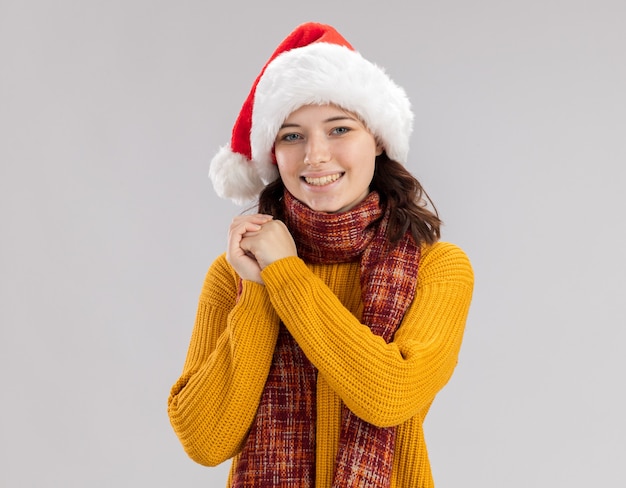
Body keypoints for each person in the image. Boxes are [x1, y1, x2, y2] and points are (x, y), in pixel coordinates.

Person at [168, 22, 474, 488]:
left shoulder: (438, 268)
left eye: (339, 129)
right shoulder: (236, 272)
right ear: (273, 152)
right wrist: (255, 289)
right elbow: (205, 440)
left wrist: (286, 274)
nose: (315, 155)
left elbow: (386, 396)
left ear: (377, 139)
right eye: (292, 136)